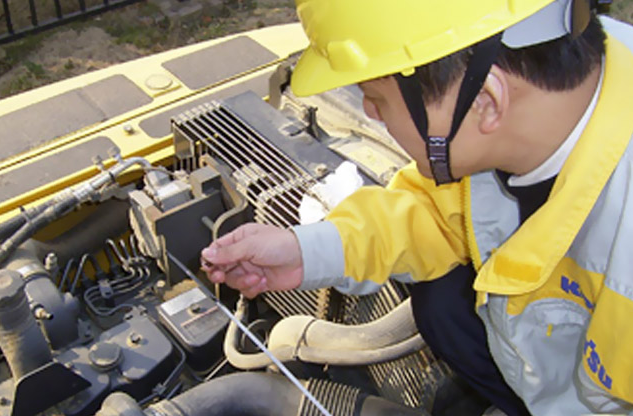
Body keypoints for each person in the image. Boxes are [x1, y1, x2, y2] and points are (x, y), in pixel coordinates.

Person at [201, 1, 633, 415]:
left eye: (376, 96)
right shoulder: (546, 104)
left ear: (484, 100)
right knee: (442, 300)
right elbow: (431, 212)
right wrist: (304, 251)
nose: (369, 112)